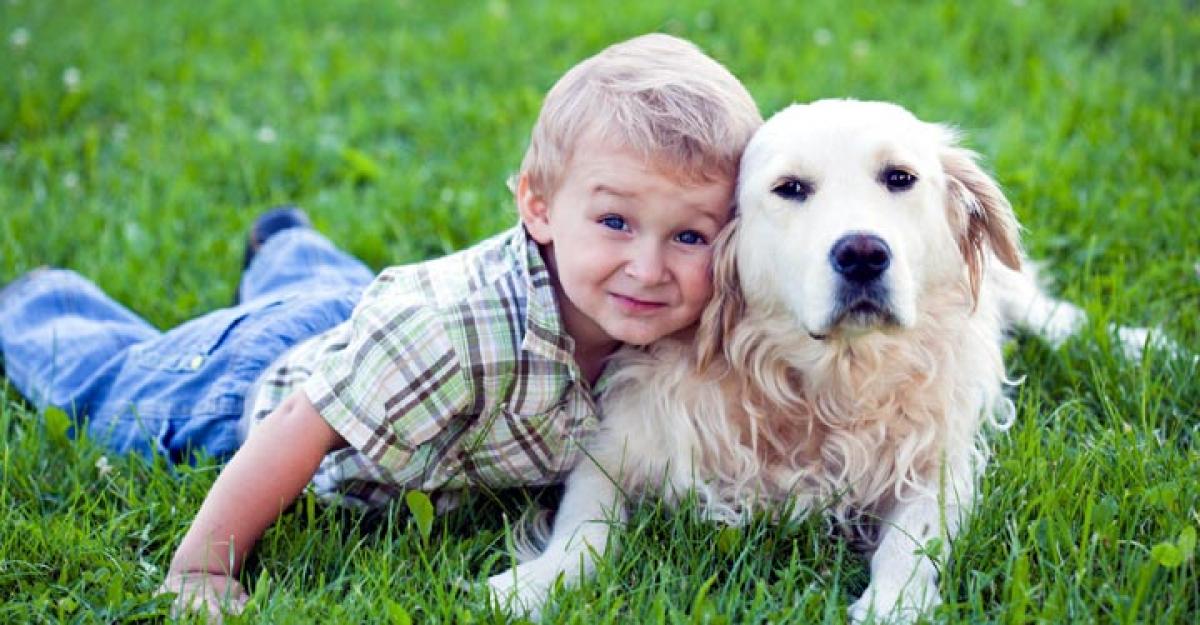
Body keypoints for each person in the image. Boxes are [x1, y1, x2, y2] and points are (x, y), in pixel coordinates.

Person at [0, 33, 762, 617]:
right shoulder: (454, 337)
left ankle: (288, 247)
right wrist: (204, 566)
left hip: (359, 324)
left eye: (689, 236)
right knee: (106, 387)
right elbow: (304, 417)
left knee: (345, 306)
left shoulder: (668, 322)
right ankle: (41, 301)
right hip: (247, 390)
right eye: (616, 221)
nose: (650, 265)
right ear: (537, 205)